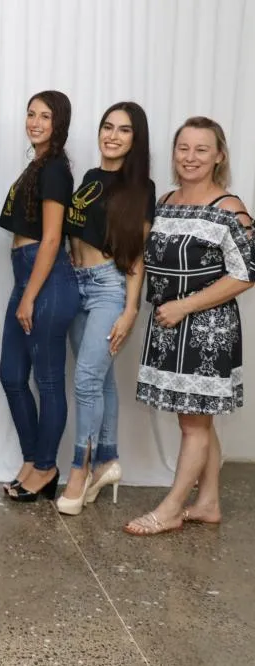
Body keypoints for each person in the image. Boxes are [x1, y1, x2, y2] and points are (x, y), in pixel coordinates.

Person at [125, 117, 254, 535]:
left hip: (207, 331)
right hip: (168, 325)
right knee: (198, 418)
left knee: (193, 423)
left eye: (201, 149)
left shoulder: (229, 209)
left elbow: (247, 272)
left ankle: (171, 508)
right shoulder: (165, 201)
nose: (190, 157)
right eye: (183, 148)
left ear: (219, 156)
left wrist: (186, 306)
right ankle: (209, 502)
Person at [55, 102, 154, 515]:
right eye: (107, 126)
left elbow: (137, 255)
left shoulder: (140, 189)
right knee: (101, 379)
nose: (112, 136)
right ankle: (107, 460)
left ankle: (79, 470)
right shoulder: (89, 179)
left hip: (108, 288)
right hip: (76, 284)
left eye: (124, 130)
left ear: (135, 139)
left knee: (85, 380)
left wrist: (130, 310)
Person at [0, 90, 78, 503]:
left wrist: (29, 296)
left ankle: (46, 466)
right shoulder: (37, 165)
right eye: (31, 114)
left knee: (47, 380)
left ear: (59, 123)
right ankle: (33, 459)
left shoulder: (55, 170)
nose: (35, 122)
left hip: (46, 281)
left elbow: (51, 238)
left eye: (45, 116)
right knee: (11, 375)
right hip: (26, 275)